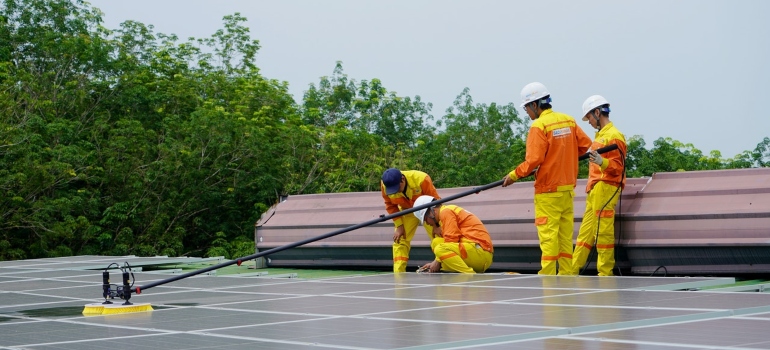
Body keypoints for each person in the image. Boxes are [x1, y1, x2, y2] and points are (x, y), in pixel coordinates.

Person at [502, 82, 591, 275]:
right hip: (567, 190)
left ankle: (548, 279)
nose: (526, 112)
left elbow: (534, 159)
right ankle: (567, 276)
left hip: (548, 192)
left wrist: (513, 175)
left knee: (549, 237)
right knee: (565, 238)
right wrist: (562, 157)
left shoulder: (539, 125)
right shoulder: (568, 120)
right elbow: (585, 146)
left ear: (535, 105)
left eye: (526, 107)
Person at [571, 95, 627, 276]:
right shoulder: (600, 137)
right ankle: (570, 271)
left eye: (589, 117)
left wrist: (602, 162)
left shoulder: (614, 136)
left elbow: (618, 168)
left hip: (606, 187)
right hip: (596, 189)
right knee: (586, 233)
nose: (588, 122)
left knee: (602, 232)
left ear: (597, 112)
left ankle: (605, 274)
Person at [412, 195, 493, 274]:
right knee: (436, 242)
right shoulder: (446, 211)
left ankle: (469, 274)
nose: (428, 223)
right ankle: (443, 268)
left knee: (440, 248)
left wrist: (436, 261)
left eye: (426, 219)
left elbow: (451, 239)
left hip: (481, 253)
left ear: (431, 212)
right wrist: (435, 263)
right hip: (476, 251)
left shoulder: (446, 212)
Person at [381, 168, 440, 273]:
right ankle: (398, 274)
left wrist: (436, 225)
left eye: (397, 187)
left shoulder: (422, 179)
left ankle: (441, 264)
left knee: (438, 235)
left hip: (427, 211)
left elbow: (436, 203)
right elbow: (390, 206)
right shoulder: (385, 185)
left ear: (402, 179)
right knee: (399, 240)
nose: (396, 191)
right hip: (406, 211)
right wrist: (399, 226)